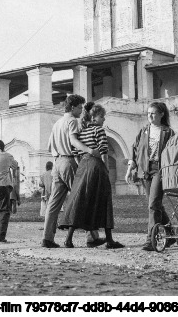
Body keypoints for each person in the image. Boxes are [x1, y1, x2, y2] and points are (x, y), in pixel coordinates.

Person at [42, 94, 104, 249]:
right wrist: (90, 150)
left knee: (53, 203)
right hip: (69, 161)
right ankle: (92, 237)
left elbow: (50, 146)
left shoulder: (57, 123)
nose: (81, 110)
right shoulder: (72, 121)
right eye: (79, 107)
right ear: (72, 107)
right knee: (83, 197)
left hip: (57, 163)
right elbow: (73, 141)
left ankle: (47, 238)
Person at [59, 103, 124, 249]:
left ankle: (68, 239)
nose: (104, 119)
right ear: (94, 117)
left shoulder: (81, 132)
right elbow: (104, 152)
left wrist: (82, 164)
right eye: (102, 116)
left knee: (80, 200)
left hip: (83, 166)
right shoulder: (99, 130)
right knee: (104, 201)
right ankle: (109, 240)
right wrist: (106, 170)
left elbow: (76, 153)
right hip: (96, 166)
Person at [125, 101, 174, 251]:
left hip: (160, 170)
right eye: (148, 113)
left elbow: (173, 152)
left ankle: (150, 240)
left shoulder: (168, 132)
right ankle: (171, 233)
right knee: (155, 204)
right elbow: (135, 151)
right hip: (145, 171)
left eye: (153, 113)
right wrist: (129, 170)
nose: (150, 116)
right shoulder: (143, 131)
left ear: (161, 114)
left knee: (153, 204)